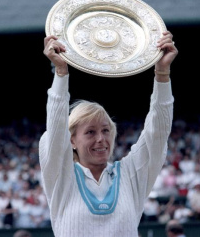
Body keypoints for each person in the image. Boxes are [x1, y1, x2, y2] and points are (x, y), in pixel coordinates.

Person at [39, 30, 178, 237]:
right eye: (90, 132)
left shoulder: (131, 174)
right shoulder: (60, 175)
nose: (101, 139)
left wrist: (162, 73)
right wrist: (61, 73)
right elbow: (56, 131)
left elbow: (157, 133)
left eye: (105, 130)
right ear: (72, 141)